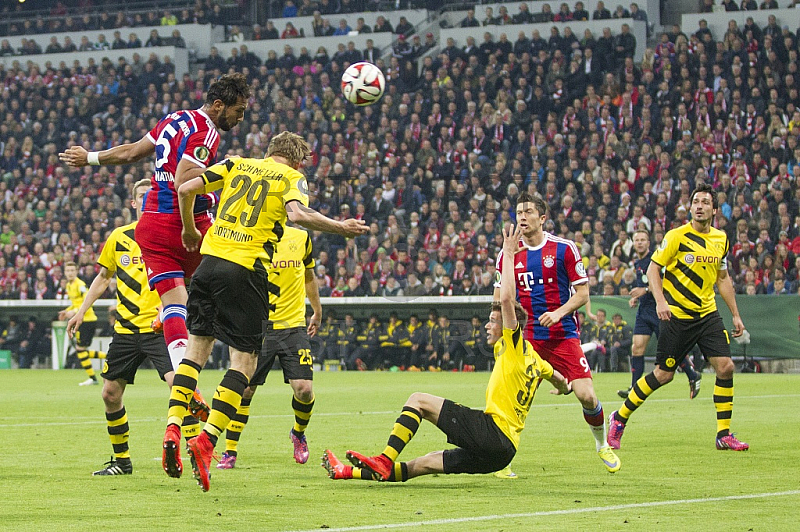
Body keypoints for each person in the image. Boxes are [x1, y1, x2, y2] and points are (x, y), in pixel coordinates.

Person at [165, 131, 367, 491]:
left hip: (208, 263)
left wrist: (189, 229)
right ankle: (207, 441)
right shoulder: (291, 178)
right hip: (245, 269)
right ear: (298, 160)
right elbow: (296, 213)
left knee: (194, 355)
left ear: (269, 151)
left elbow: (183, 190)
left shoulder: (235, 163)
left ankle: (172, 426)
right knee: (243, 363)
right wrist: (340, 227)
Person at [59, 73, 251, 415]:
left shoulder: (174, 119)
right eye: (238, 110)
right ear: (219, 105)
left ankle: (182, 379)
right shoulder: (206, 131)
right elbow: (185, 183)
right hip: (183, 222)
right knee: (237, 273)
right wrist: (192, 226)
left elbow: (132, 152)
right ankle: (244, 352)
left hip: (150, 225)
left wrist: (89, 157)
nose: (240, 117)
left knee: (174, 303)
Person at [322, 224, 571, 482]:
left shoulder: (514, 345)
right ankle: (346, 472)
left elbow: (507, 299)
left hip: (493, 432)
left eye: (492, 320)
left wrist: (508, 254)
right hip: (505, 453)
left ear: (509, 325)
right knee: (425, 463)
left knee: (417, 399)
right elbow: (559, 379)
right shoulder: (537, 360)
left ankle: (385, 458)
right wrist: (565, 388)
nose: (487, 324)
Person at [66, 179, 200, 475]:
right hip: (126, 329)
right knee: (109, 394)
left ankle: (195, 455)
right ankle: (122, 462)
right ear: (132, 202)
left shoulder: (168, 236)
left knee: (181, 386)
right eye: (140, 196)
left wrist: (169, 310)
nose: (144, 201)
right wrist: (81, 310)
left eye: (149, 196)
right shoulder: (119, 237)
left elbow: (187, 280)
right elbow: (103, 276)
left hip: (160, 328)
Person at [607, 184, 749, 452]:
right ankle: (619, 417)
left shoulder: (721, 239)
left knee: (726, 366)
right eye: (695, 201)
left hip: (707, 315)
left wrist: (736, 315)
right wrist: (661, 301)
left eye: (705, 202)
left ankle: (723, 434)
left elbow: (723, 278)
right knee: (662, 375)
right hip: (677, 316)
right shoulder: (676, 236)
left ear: (714, 209)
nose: (699, 206)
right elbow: (653, 270)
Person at [494, 192, 620, 472]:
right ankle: (502, 461)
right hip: (526, 341)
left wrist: (559, 312)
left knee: (586, 396)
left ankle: (602, 445)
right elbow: (500, 296)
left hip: (562, 336)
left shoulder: (564, 249)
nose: (522, 217)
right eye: (518, 213)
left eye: (527, 212)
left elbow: (583, 294)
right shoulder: (508, 253)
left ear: (542, 217)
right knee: (514, 404)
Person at [217, 225, 321, 470]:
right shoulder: (248, 238)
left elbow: (309, 276)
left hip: (293, 326)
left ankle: (298, 433)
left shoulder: (301, 238)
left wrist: (317, 310)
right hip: (257, 326)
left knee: (304, 389)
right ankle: (230, 451)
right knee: (245, 391)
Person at [617, 229, 701, 399]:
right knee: (637, 347)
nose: (639, 242)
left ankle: (692, 374)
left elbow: (665, 282)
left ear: (649, 243)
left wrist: (646, 290)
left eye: (643, 240)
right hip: (644, 310)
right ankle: (634, 388)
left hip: (659, 309)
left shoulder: (656, 259)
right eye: (637, 240)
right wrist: (637, 298)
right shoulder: (637, 262)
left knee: (671, 348)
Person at [59, 261, 106, 386]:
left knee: (80, 350)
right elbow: (76, 304)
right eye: (68, 271)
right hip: (82, 320)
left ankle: (95, 375)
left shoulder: (79, 285)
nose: (70, 273)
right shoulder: (69, 285)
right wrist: (67, 310)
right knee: (81, 350)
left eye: (72, 271)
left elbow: (87, 300)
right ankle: (95, 375)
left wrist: (74, 312)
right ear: (64, 272)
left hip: (87, 320)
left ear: (76, 271)